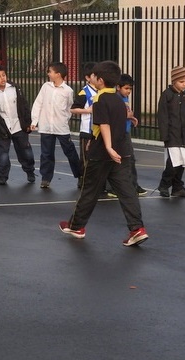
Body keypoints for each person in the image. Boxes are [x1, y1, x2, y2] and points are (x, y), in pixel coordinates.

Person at [58, 60, 148, 247]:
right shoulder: (118, 99)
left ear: (99, 80)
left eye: (93, 77)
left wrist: (107, 146)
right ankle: (137, 229)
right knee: (126, 191)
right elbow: (114, 123)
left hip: (102, 153)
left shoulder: (99, 98)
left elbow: (104, 124)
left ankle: (76, 226)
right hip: (122, 151)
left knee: (89, 189)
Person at [31, 62, 82, 189]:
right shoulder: (46, 87)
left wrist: (64, 120)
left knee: (70, 152)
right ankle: (46, 178)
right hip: (46, 127)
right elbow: (38, 103)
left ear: (58, 74)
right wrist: (34, 121)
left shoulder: (68, 91)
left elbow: (69, 108)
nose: (48, 74)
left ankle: (80, 175)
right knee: (46, 153)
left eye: (50, 71)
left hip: (61, 127)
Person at [156, 66, 185, 198]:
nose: (184, 84)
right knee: (173, 162)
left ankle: (177, 187)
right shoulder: (167, 94)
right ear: (174, 81)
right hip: (172, 134)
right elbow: (162, 116)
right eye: (181, 81)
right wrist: (164, 135)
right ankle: (164, 185)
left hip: (183, 135)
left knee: (182, 162)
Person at [0, 64, 36, 185]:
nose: (2, 78)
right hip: (4, 128)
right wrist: (0, 129)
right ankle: (2, 176)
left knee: (25, 151)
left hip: (18, 126)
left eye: (4, 75)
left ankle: (30, 171)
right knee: (3, 152)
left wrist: (27, 123)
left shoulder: (15, 88)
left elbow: (24, 106)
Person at [115, 74, 147, 196]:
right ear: (118, 87)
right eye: (126, 88)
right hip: (119, 133)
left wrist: (131, 118)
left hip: (125, 131)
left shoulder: (124, 99)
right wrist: (126, 115)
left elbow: (126, 113)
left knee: (128, 159)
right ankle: (128, 185)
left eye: (130, 89)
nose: (128, 91)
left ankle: (132, 184)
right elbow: (115, 115)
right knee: (125, 159)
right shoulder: (116, 98)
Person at [70, 62, 97, 187]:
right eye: (94, 75)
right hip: (87, 131)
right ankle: (83, 179)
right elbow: (73, 109)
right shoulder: (84, 92)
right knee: (86, 157)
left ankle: (97, 181)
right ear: (87, 78)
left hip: (100, 130)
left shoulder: (103, 91)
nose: (98, 77)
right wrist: (87, 110)